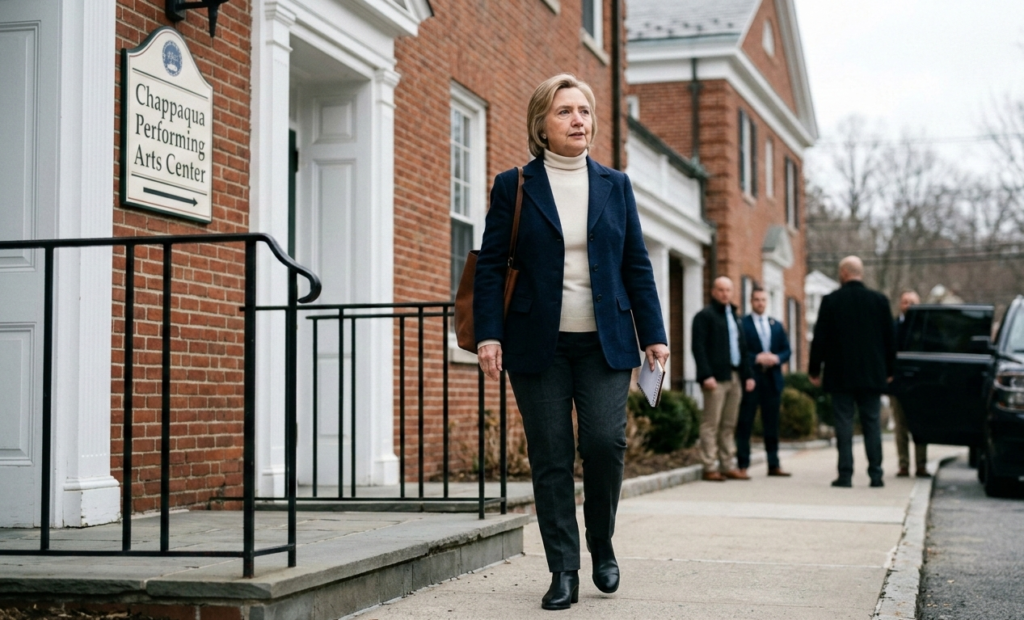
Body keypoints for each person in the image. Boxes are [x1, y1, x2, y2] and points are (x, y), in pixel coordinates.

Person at [473, 74, 669, 611]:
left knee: (605, 445)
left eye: (583, 110)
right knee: (551, 457)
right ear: (541, 123)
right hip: (538, 344)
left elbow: (636, 263)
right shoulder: (514, 186)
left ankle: (601, 540)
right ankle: (564, 568)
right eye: (564, 112)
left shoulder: (616, 184)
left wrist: (654, 335)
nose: (578, 120)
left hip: (606, 341)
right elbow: (490, 266)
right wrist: (489, 332)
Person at [808, 256, 895, 488]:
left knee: (844, 424)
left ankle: (845, 474)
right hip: (872, 375)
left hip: (841, 375)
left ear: (844, 273)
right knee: (872, 424)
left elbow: (820, 339)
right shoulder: (879, 301)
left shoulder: (831, 301)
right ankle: (876, 474)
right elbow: (890, 339)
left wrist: (814, 369)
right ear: (860, 273)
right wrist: (889, 369)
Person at [691, 276, 755, 482]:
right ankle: (709, 466)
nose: (725, 293)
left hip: (735, 376)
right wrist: (705, 374)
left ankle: (728, 465)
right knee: (711, 423)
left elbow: (743, 349)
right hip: (715, 378)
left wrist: (748, 375)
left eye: (728, 290)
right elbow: (698, 347)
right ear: (713, 292)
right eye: (721, 289)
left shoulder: (735, 316)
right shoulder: (704, 316)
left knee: (729, 424)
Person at [735, 285, 792, 477]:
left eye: (763, 300)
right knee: (745, 422)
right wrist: (756, 358)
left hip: (772, 378)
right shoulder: (743, 323)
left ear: (767, 302)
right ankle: (743, 464)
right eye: (757, 299)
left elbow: (787, 349)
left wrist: (776, 358)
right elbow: (740, 351)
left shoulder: (776, 324)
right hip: (752, 378)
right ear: (751, 302)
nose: (760, 303)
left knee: (772, 423)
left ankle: (773, 464)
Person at [892, 290, 928, 478]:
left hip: (921, 386)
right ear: (900, 305)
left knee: (920, 426)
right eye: (905, 302)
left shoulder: (927, 328)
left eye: (912, 302)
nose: (908, 305)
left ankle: (921, 464)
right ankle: (903, 465)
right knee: (900, 426)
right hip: (899, 384)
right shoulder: (892, 327)